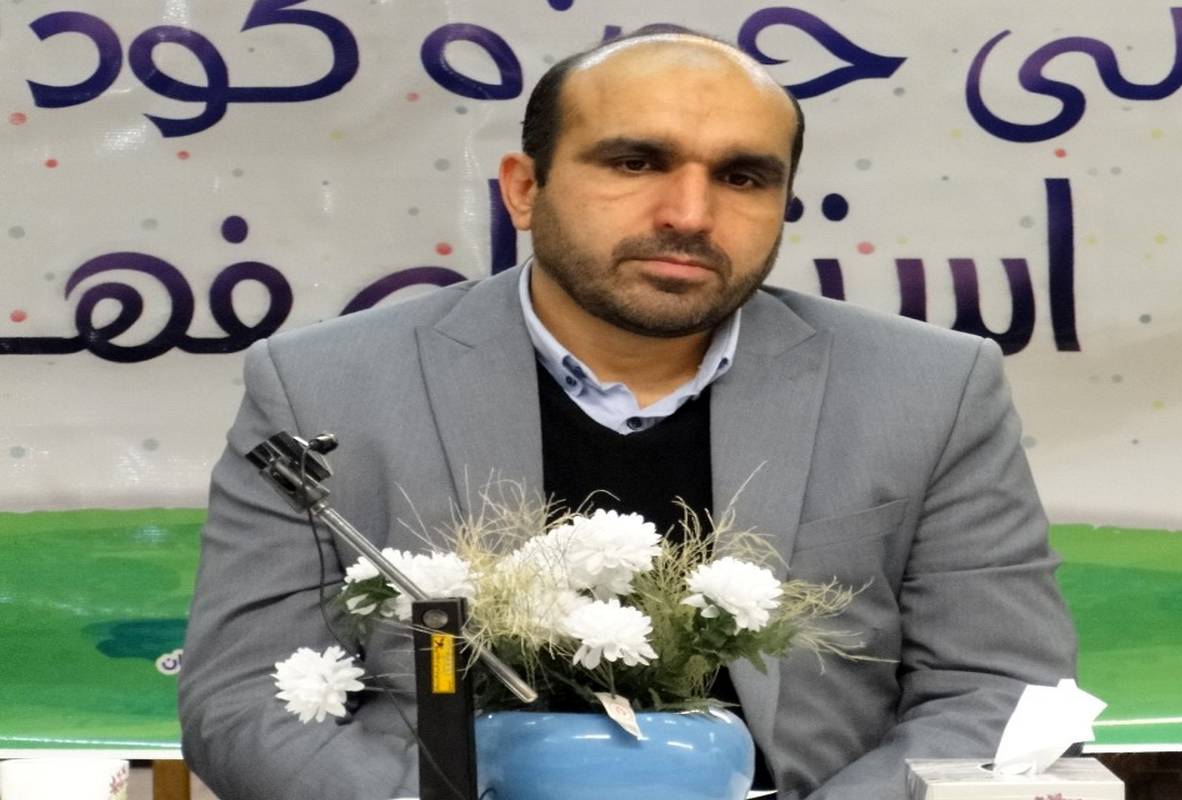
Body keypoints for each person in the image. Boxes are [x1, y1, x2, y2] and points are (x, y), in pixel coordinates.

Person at [179, 29, 1077, 800]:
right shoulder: (323, 385)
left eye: (742, 177)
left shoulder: (930, 388)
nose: (689, 214)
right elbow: (242, 702)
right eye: (635, 162)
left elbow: (1001, 688)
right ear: (523, 187)